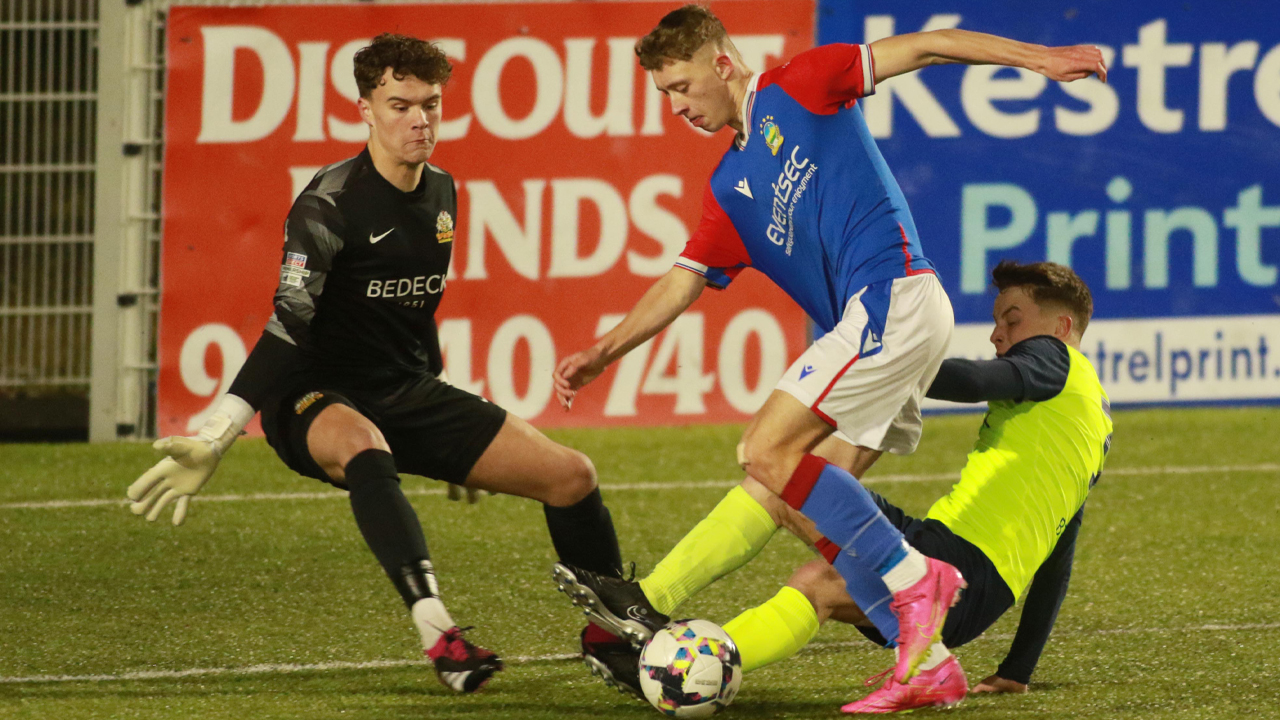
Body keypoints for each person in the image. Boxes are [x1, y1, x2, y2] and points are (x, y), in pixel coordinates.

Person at [552, 3, 1108, 687]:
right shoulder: (729, 187)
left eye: (679, 87)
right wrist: (606, 350)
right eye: (664, 94)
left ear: (721, 64)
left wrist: (1039, 59)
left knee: (764, 448)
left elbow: (928, 47)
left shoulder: (801, 84)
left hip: (893, 296)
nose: (676, 107)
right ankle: (919, 656)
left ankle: (914, 579)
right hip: (881, 320)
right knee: (783, 489)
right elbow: (682, 280)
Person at [126, 33, 629, 694]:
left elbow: (417, 315)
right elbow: (289, 323)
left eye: (430, 105)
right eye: (399, 105)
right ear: (364, 108)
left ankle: (612, 635)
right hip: (311, 394)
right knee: (365, 445)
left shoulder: (444, 192)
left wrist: (458, 432)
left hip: (402, 386)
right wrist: (218, 434)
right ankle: (438, 631)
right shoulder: (328, 204)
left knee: (571, 476)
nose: (418, 120)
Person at [558, 261, 1111, 713]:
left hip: (959, 565)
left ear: (1061, 329)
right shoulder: (1092, 425)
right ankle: (664, 654)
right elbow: (1059, 552)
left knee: (787, 486)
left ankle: (653, 613)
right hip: (962, 568)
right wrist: (1018, 669)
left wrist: (897, 357)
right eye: (997, 321)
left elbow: (978, 378)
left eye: (1012, 320)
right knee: (811, 553)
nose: (998, 334)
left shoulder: (1054, 361)